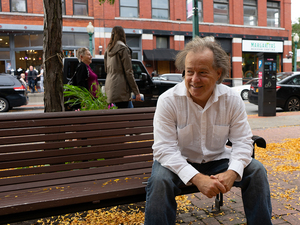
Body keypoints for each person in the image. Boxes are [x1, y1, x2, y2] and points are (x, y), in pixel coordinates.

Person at [144, 37, 272, 225]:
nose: (194, 80)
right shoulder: (168, 100)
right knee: (159, 181)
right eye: (189, 72)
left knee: (256, 171)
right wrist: (197, 178)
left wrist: (232, 172)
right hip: (178, 160)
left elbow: (243, 141)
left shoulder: (231, 100)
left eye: (202, 72)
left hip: (217, 160)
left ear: (218, 73)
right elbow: (164, 150)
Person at [104, 26, 141, 108]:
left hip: (110, 87)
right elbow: (129, 71)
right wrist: (136, 92)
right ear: (122, 34)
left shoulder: (108, 49)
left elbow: (106, 69)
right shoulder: (123, 48)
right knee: (128, 117)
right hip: (121, 90)